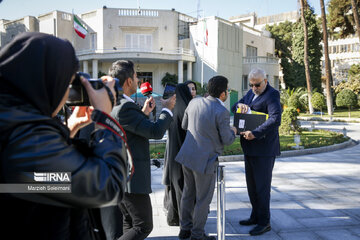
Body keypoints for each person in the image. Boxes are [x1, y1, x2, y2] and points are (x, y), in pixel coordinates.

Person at [0, 32, 127, 239]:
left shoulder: (14, 123)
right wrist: (104, 120)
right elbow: (107, 187)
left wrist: (70, 127)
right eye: (66, 83)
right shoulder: (22, 140)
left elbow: (45, 182)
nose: (68, 93)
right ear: (43, 81)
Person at [109, 60, 176, 240]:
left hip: (121, 176)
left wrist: (144, 113)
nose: (139, 80)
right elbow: (155, 132)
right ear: (129, 81)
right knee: (143, 225)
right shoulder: (125, 107)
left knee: (129, 222)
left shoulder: (117, 103)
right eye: (136, 76)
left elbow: (131, 130)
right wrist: (167, 109)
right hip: (131, 179)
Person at [175, 76, 237, 240]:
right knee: (203, 199)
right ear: (223, 93)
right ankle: (197, 234)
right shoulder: (222, 111)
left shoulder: (193, 102)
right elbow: (227, 140)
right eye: (228, 90)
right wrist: (234, 131)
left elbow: (184, 125)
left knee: (188, 194)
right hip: (205, 160)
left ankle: (185, 229)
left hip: (187, 155)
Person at [231, 68, 281, 236]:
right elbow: (233, 107)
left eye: (257, 85)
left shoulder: (272, 95)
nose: (254, 88)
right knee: (252, 186)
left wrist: (256, 133)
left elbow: (275, 119)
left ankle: (264, 221)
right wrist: (240, 105)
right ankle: (255, 215)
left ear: (265, 81)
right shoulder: (250, 94)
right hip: (249, 147)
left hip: (264, 149)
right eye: (251, 85)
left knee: (262, 187)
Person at [162, 81, 196, 226]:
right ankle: (186, 221)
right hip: (185, 154)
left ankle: (174, 218)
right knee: (185, 188)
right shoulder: (187, 109)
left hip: (172, 153)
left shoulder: (173, 109)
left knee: (175, 186)